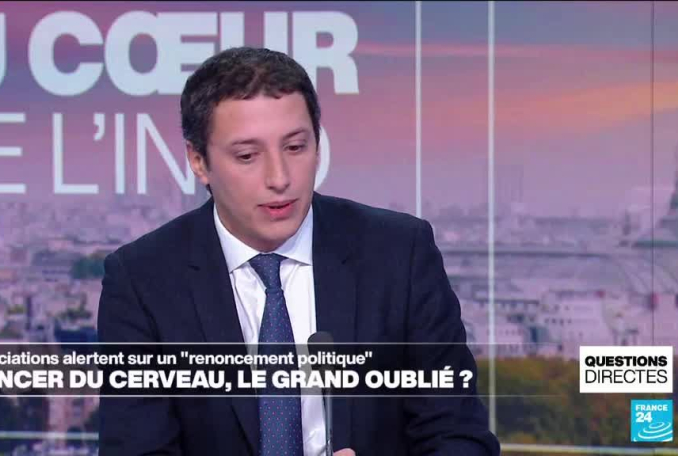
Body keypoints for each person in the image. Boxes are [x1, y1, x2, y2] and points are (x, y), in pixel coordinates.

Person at [97, 46, 500, 456]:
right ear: (198, 161)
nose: (280, 178)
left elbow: (458, 437)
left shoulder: (399, 254)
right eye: (247, 156)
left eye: (295, 147)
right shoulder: (142, 281)